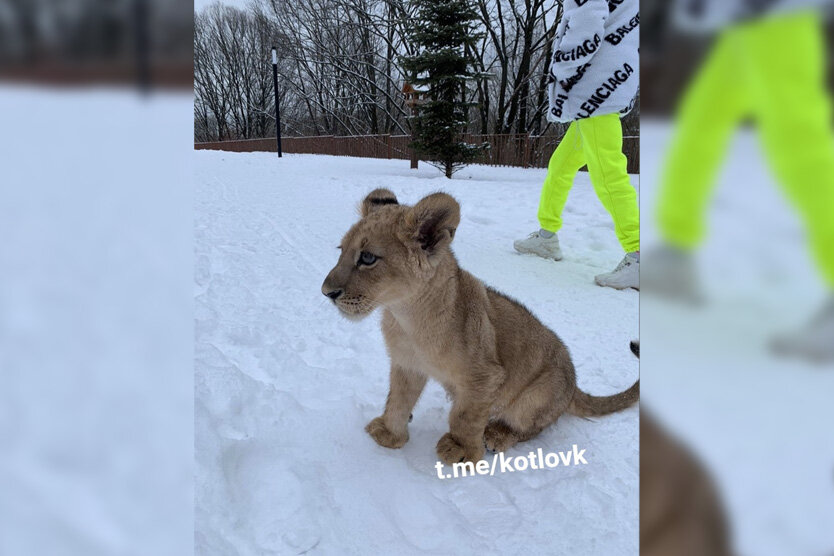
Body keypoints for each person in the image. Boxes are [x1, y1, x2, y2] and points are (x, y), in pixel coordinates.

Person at [650, 4, 834, 360]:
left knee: (798, 144)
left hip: (776, 15)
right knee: (701, 123)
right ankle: (675, 252)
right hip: (740, 18)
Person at [514, 0, 640, 290]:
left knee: (608, 174)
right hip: (607, 85)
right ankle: (546, 237)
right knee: (561, 165)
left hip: (596, 87)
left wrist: (561, 72)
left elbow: (586, 25)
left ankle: (638, 252)